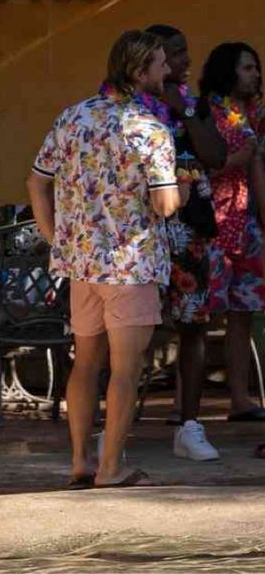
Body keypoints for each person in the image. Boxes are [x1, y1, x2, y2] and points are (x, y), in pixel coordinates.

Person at [27, 30, 181, 488]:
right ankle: (111, 467)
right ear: (139, 72)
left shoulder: (73, 117)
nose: (167, 71)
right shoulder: (150, 128)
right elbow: (166, 204)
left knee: (86, 363)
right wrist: (183, 189)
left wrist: (57, 239)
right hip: (130, 265)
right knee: (126, 370)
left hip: (82, 267)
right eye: (160, 64)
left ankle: (80, 461)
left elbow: (37, 181)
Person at [144, 25, 226, 460]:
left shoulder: (197, 105)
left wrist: (186, 115)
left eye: (185, 52)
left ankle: (190, 427)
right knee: (129, 328)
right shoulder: (128, 108)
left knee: (193, 325)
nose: (185, 61)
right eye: (175, 54)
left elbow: (215, 157)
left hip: (189, 232)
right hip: (139, 232)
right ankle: (112, 428)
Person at [198, 42, 265, 422]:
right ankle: (183, 404)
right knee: (200, 316)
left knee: (244, 313)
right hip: (213, 223)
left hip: (248, 225)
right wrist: (235, 160)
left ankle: (240, 399)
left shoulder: (257, 115)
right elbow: (196, 166)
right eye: (246, 68)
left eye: (256, 68)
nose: (254, 74)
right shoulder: (205, 112)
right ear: (228, 71)